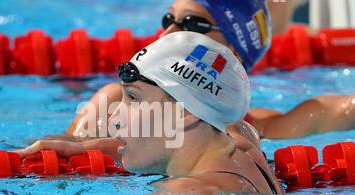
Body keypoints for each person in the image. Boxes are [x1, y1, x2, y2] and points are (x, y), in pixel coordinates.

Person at [16, 32, 284, 195]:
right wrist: (83, 147)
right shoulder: (241, 137)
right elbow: (161, 141)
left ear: (185, 113)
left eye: (133, 99)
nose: (113, 116)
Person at [63, 0, 355, 140]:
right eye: (169, 20)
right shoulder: (116, 101)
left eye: (193, 24)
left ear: (234, 52)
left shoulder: (264, 129)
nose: (168, 34)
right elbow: (63, 161)